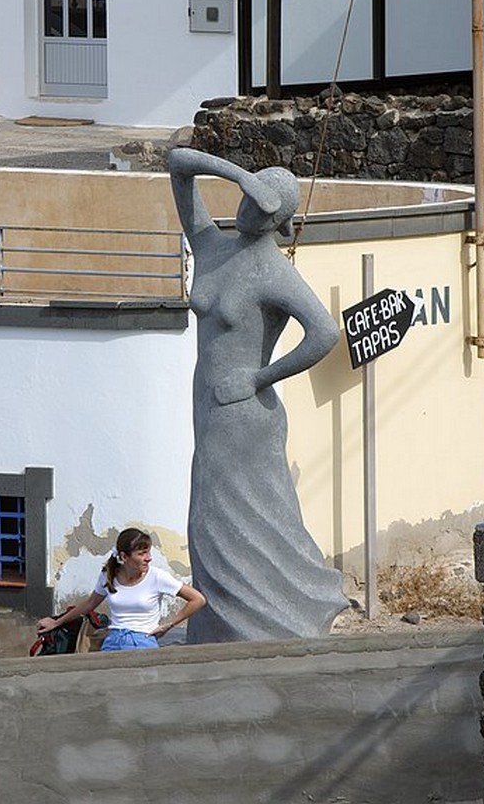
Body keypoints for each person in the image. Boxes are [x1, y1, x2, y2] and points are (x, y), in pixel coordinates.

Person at [168, 147, 348, 643]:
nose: (249, 210)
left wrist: (259, 378)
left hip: (244, 410)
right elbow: (179, 164)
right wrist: (243, 176)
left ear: (280, 222)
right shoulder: (211, 245)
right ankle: (220, 624)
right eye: (248, 201)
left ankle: (265, 621)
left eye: (264, 208)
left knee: (234, 517)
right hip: (206, 403)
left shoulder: (274, 271)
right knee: (210, 517)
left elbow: (323, 333)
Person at [36, 527, 206, 651]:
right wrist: (56, 622)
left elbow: (197, 599)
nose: (149, 558)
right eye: (142, 554)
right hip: (113, 639)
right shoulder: (108, 575)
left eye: (148, 552)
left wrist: (168, 625)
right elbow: (89, 604)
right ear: (124, 557)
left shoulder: (157, 576)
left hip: (143, 641)